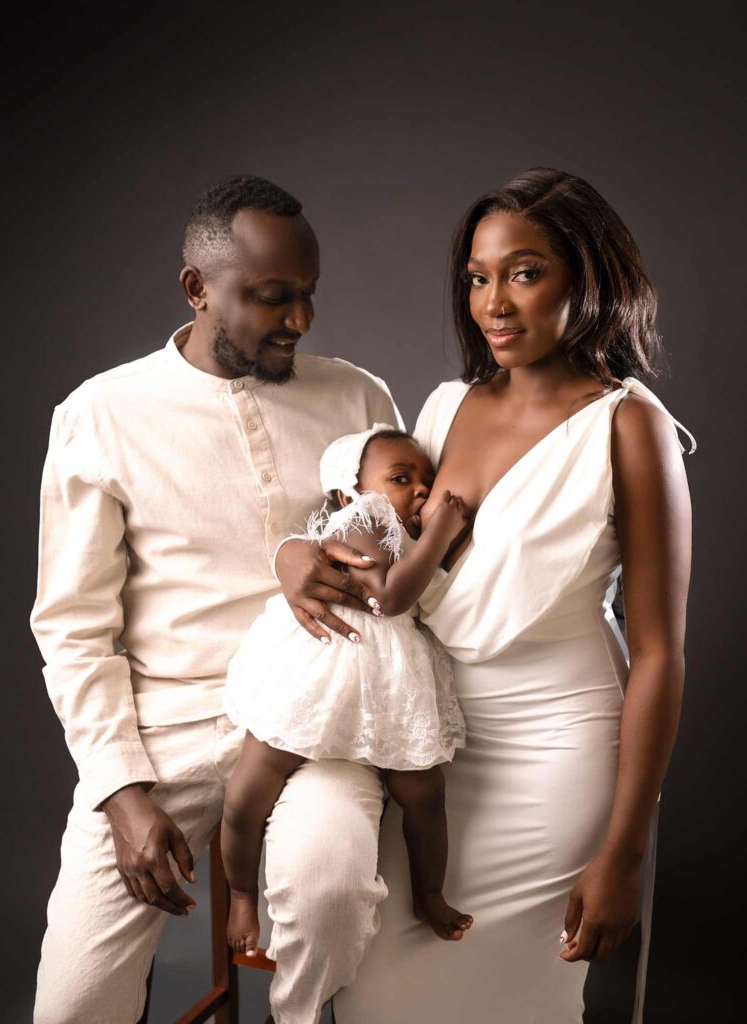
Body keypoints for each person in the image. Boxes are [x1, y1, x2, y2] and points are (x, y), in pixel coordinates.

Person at [277, 167, 697, 1023]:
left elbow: (658, 653)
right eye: (477, 277)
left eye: (525, 272)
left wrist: (623, 852)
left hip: (559, 749)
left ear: (586, 277)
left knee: (510, 999)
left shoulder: (628, 423)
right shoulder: (444, 407)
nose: (493, 303)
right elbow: (364, 543)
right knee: (378, 998)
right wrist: (292, 552)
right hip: (429, 745)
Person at [30, 175, 403, 1024]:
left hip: (318, 721)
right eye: (272, 298)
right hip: (167, 734)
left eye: (308, 296)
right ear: (198, 289)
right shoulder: (101, 414)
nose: (300, 322)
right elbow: (74, 629)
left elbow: (402, 559)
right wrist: (122, 793)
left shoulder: (358, 397)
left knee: (336, 894)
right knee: (72, 1005)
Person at [222, 426, 473, 958]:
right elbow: (388, 599)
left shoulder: (399, 527)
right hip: (321, 668)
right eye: (401, 479)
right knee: (250, 788)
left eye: (426, 481)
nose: (422, 492)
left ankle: (429, 892)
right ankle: (241, 894)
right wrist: (441, 532)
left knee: (424, 793)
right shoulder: (364, 518)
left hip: (386, 676)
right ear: (347, 492)